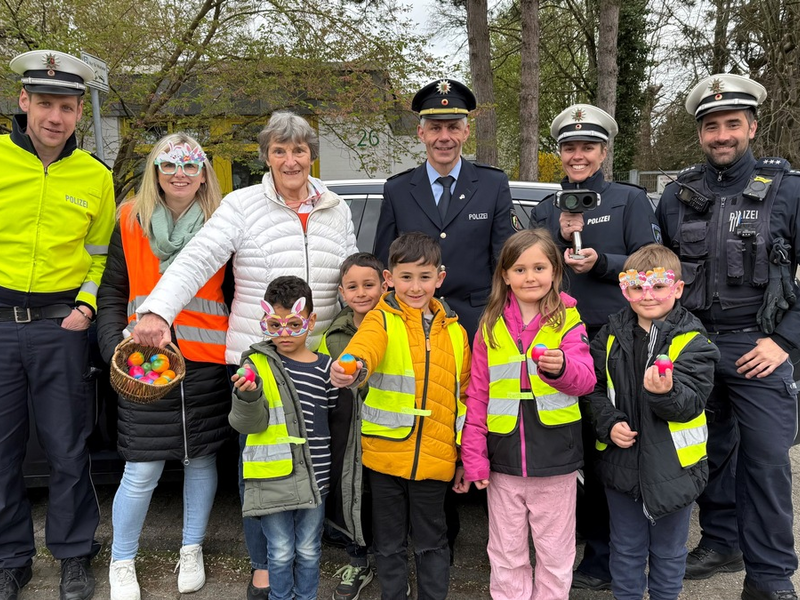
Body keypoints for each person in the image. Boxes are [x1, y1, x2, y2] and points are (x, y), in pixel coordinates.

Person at [130, 110, 358, 598]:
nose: (290, 160)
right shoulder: (241, 204)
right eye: (280, 150)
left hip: (317, 362)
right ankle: (263, 566)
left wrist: (357, 339)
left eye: (298, 150)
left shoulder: (336, 206)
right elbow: (197, 259)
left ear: (310, 154)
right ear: (266, 157)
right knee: (260, 465)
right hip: (260, 361)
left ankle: (303, 561)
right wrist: (157, 312)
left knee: (313, 462)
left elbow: (349, 281)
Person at [657, 73, 800, 600]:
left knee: (764, 462)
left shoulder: (787, 190)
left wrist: (786, 342)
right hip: (693, 344)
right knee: (705, 452)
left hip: (757, 344)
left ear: (752, 127)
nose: (722, 135)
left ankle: (769, 577)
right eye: (711, 126)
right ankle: (720, 541)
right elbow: (660, 273)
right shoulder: (676, 196)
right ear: (700, 134)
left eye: (732, 124)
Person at [529, 103, 662, 591]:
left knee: (611, 446)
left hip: (612, 342)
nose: (578, 155)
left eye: (587, 146)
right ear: (559, 154)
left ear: (604, 152)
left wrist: (601, 262)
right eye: (569, 147)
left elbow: (649, 265)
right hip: (560, 340)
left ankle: (609, 555)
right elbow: (529, 265)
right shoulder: (548, 207)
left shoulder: (628, 200)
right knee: (574, 446)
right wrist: (553, 236)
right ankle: (581, 542)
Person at [0, 50, 115, 600]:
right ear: (24, 102)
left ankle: (73, 556)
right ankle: (11, 558)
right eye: (44, 103)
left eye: (66, 107)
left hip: (61, 328)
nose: (55, 117)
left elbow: (100, 256)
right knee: (2, 451)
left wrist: (87, 308)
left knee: (68, 450)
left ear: (77, 113)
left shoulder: (94, 177)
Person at [96, 134, 232, 600]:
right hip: (143, 363)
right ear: (156, 171)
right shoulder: (130, 219)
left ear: (203, 175)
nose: (180, 175)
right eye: (170, 166)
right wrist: (113, 343)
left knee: (200, 460)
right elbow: (113, 290)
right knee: (142, 469)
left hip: (206, 362)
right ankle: (122, 559)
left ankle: (190, 548)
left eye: (191, 167)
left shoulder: (221, 221)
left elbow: (236, 291)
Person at [330, 232, 471, 600]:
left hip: (436, 459)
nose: (415, 286)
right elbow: (363, 351)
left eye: (424, 277)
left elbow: (466, 397)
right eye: (406, 277)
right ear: (390, 279)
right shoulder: (380, 319)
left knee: (432, 543)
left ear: (439, 278)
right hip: (384, 456)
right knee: (389, 544)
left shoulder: (457, 332)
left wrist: (464, 455)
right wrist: (352, 368)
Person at [459, 228, 595, 600]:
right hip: (502, 461)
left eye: (539, 267)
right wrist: (473, 458)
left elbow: (585, 381)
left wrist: (561, 367)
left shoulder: (568, 319)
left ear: (555, 271)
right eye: (519, 269)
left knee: (555, 553)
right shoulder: (488, 325)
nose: (530, 277)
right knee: (506, 552)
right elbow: (477, 395)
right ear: (504, 275)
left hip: (555, 459)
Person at [587, 244, 719, 600]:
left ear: (677, 289)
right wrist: (609, 421)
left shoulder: (693, 340)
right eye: (637, 287)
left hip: (675, 471)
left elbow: (691, 404)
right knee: (626, 550)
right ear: (624, 288)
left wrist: (665, 394)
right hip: (621, 466)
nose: (648, 296)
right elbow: (593, 389)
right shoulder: (610, 335)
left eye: (658, 286)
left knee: (669, 553)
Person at [374, 78, 518, 344]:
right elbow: (384, 261)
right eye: (435, 128)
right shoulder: (398, 190)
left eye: (453, 127)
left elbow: (506, 258)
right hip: (413, 322)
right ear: (421, 133)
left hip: (478, 323)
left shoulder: (492, 184)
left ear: (466, 132)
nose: (444, 137)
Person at [229, 276, 338, 600]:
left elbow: (333, 414)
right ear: (264, 320)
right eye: (275, 324)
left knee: (308, 550)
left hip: (315, 477)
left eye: (294, 324)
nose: (285, 333)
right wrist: (247, 396)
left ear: (310, 320)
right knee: (278, 551)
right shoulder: (256, 365)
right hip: (272, 478)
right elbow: (246, 424)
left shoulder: (325, 368)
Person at [318, 252, 387, 600]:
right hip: (347, 435)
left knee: (385, 502)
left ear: (384, 284)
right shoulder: (334, 332)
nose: (361, 293)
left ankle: (392, 567)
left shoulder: (396, 325)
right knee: (351, 497)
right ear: (342, 292)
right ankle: (358, 562)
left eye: (369, 285)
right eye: (352, 287)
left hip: (388, 433)